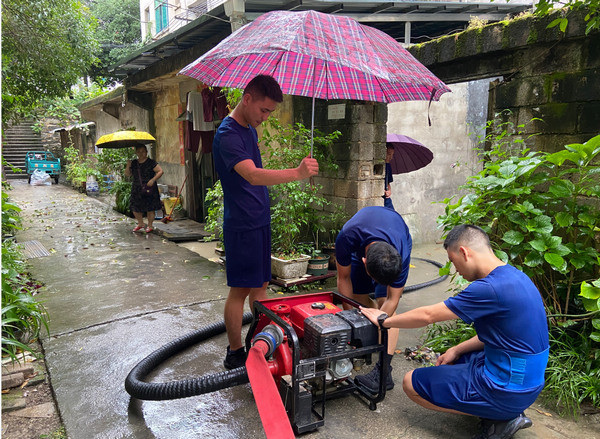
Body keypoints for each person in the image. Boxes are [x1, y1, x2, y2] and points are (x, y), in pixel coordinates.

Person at [360, 224, 549, 439]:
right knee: (454, 359)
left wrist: (384, 320)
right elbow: (502, 336)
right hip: (527, 383)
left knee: (411, 382)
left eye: (453, 261)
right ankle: (505, 410)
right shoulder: (515, 277)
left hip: (506, 389)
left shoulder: (488, 289)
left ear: (464, 253)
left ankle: (501, 417)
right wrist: (456, 349)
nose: (455, 269)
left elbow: (428, 316)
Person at [212, 74, 319, 370]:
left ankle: (258, 344)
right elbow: (253, 175)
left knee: (260, 288)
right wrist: (296, 173)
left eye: (270, 112)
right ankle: (235, 352)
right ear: (247, 99)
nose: (266, 117)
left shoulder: (249, 129)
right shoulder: (228, 134)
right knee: (240, 290)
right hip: (242, 225)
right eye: (264, 110)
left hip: (259, 219)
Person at [335, 205, 412, 393]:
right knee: (357, 297)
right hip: (362, 239)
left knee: (384, 304)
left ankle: (384, 372)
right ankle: (368, 339)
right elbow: (343, 278)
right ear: (364, 263)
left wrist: (379, 320)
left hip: (394, 234)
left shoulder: (400, 254)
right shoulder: (346, 238)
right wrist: (352, 321)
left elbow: (393, 300)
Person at [125, 144, 164, 233]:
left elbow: (160, 171)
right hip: (137, 187)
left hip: (149, 187)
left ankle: (150, 226)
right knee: (135, 207)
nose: (141, 153)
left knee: (150, 207)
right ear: (136, 153)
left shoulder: (151, 162)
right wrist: (128, 165)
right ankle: (140, 223)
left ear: (146, 152)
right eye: (139, 152)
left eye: (143, 151)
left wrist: (153, 180)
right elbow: (128, 174)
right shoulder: (134, 163)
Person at [383, 144, 395, 210]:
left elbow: (388, 182)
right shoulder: (380, 166)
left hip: (386, 196)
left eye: (392, 155)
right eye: (389, 154)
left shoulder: (388, 166)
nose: (390, 157)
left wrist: (389, 191)